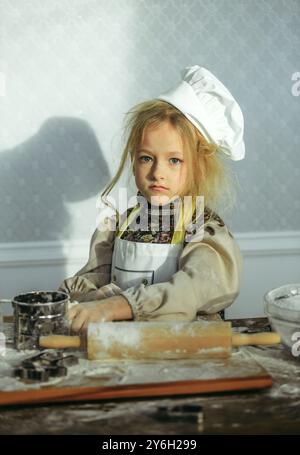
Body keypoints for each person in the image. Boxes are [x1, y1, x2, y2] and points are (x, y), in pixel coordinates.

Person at [58, 65, 245, 333]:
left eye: (174, 160)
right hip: (123, 350)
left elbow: (192, 289)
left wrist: (114, 306)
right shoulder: (118, 225)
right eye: (147, 158)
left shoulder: (204, 230)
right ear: (133, 161)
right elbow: (91, 281)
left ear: (199, 166)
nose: (158, 173)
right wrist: (79, 301)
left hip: (183, 354)